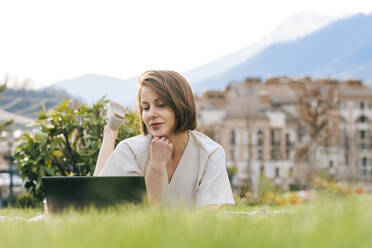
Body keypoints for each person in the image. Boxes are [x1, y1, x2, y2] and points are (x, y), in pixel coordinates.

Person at [94, 70, 234, 209]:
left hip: (186, 231)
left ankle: (110, 130)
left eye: (161, 105)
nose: (151, 114)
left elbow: (207, 220)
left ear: (181, 105)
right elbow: (140, 217)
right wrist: (156, 167)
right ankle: (110, 132)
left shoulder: (211, 154)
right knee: (95, 192)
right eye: (146, 108)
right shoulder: (130, 150)